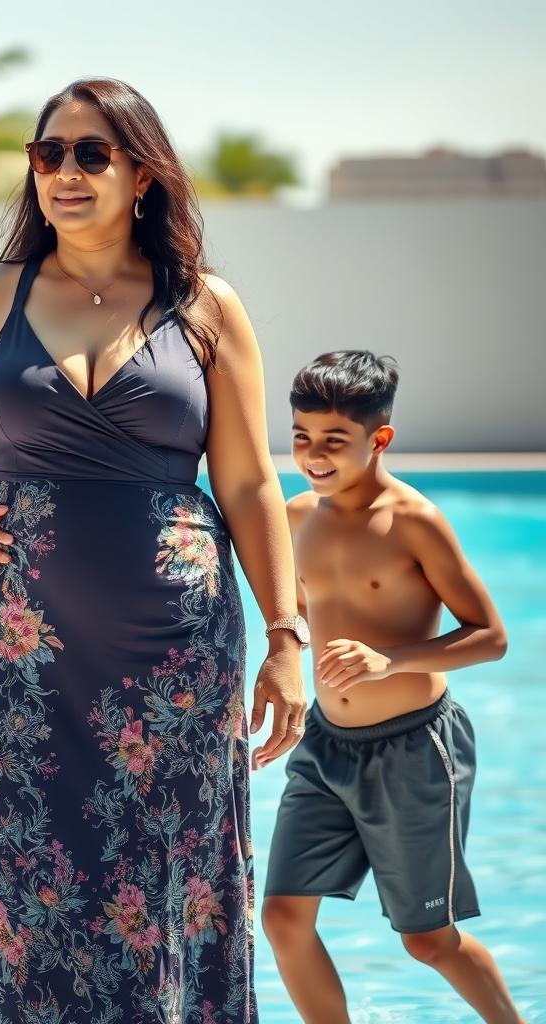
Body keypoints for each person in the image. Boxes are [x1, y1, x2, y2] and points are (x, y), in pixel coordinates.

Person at [0, 78, 306, 1022]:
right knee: (24, 882)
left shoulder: (207, 307)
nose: (64, 171)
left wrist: (287, 636)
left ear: (142, 173)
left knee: (173, 880)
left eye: (91, 153)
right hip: (13, 659)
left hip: (175, 662)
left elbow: (251, 484)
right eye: (47, 152)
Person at [262, 351, 525, 1024]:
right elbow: (293, 613)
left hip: (413, 750)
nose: (313, 455)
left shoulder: (413, 520)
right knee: (284, 920)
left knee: (426, 941)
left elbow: (490, 636)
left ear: (379, 439)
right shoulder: (294, 517)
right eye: (301, 437)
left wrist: (391, 661)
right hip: (325, 748)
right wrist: (287, 669)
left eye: (333, 441)